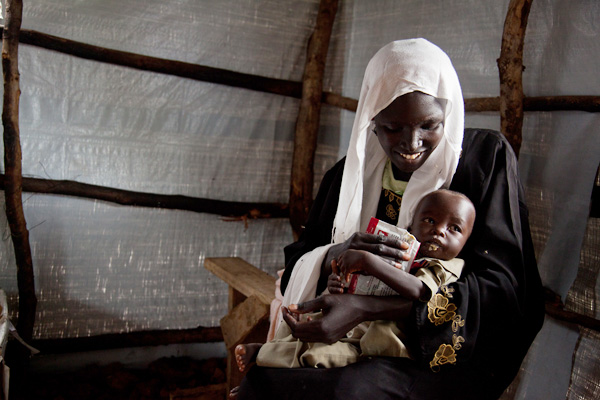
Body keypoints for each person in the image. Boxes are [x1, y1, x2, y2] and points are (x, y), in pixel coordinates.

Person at [233, 38, 544, 400]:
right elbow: (300, 258)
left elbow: (502, 293)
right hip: (350, 338)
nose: (412, 143)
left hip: (434, 349)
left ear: (449, 113)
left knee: (345, 391)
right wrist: (338, 252)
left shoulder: (484, 162)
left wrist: (365, 308)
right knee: (264, 382)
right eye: (394, 127)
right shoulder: (346, 177)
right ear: (371, 118)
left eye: (430, 125)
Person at [234, 189, 476, 371]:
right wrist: (338, 284)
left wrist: (368, 261)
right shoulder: (403, 250)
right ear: (412, 224)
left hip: (377, 338)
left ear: (466, 241)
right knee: (299, 319)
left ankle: (267, 359)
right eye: (430, 221)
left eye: (454, 228)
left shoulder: (446, 266)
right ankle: (267, 349)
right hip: (355, 318)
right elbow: (362, 283)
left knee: (323, 355)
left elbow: (418, 291)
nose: (439, 231)